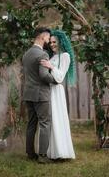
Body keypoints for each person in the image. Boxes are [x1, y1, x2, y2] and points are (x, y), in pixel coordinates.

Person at [22, 27, 57, 163]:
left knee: (31, 124)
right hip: (41, 94)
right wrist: (55, 80)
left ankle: (30, 153)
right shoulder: (42, 54)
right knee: (45, 124)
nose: (49, 40)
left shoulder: (26, 54)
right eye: (48, 37)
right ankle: (43, 156)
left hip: (28, 94)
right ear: (42, 37)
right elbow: (43, 75)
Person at [40, 29, 76, 160]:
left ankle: (61, 152)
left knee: (57, 120)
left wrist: (51, 66)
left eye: (55, 42)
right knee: (50, 121)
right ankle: (50, 152)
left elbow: (60, 77)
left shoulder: (65, 56)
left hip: (56, 91)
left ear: (61, 41)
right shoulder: (53, 57)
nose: (52, 44)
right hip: (48, 90)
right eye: (50, 42)